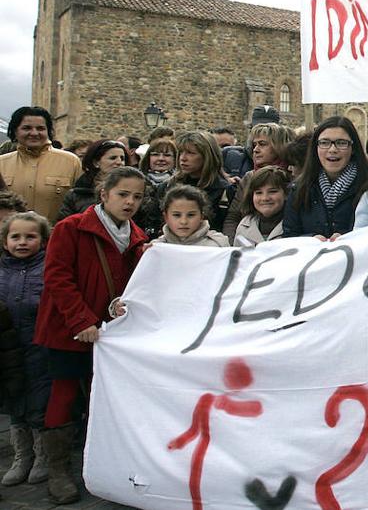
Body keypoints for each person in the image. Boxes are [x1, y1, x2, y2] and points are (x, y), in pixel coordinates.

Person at [35, 166, 148, 505]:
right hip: (69, 330)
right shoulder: (71, 228)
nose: (129, 202)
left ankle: (99, 464)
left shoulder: (138, 237)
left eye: (137, 196)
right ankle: (58, 470)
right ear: (104, 194)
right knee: (64, 394)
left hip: (109, 335)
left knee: (103, 399)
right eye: (123, 194)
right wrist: (80, 320)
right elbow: (57, 277)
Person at [0, 211, 51, 488]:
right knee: (14, 404)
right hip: (9, 351)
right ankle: (21, 457)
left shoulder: (48, 269)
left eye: (30, 237)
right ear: (5, 241)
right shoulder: (0, 270)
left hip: (39, 348)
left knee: (39, 403)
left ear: (42, 241)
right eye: (15, 236)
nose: (22, 242)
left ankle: (43, 456)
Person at [284, 117, 367, 240]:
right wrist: (311, 239)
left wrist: (346, 238)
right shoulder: (299, 189)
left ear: (353, 148)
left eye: (341, 143)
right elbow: (289, 236)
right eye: (324, 143)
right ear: (315, 148)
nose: (332, 149)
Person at [0, 107, 82, 222]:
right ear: (15, 131)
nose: (34, 133)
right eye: (27, 128)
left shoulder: (71, 162)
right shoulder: (2, 164)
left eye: (40, 128)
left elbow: (80, 204)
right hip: (11, 238)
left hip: (57, 238)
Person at [223, 122, 294, 240]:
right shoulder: (249, 177)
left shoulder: (293, 177)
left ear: (279, 146)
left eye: (262, 144)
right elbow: (233, 217)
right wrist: (231, 247)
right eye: (254, 145)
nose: (255, 150)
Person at [155, 132, 236, 233]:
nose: (183, 158)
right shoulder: (167, 187)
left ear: (207, 156)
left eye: (190, 153)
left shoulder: (226, 191)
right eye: (180, 152)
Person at [57, 139, 129, 221]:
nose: (119, 162)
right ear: (96, 163)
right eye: (113, 158)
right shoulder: (77, 194)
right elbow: (65, 227)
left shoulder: (133, 191)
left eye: (122, 158)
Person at [152, 185, 230, 247]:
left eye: (191, 215)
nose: (184, 221)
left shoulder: (218, 244)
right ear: (166, 217)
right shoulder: (156, 246)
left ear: (201, 216)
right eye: (177, 215)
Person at [232, 166, 290, 247]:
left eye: (272, 192)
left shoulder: (295, 225)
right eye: (259, 193)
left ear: (286, 194)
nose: (265, 198)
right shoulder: (244, 226)